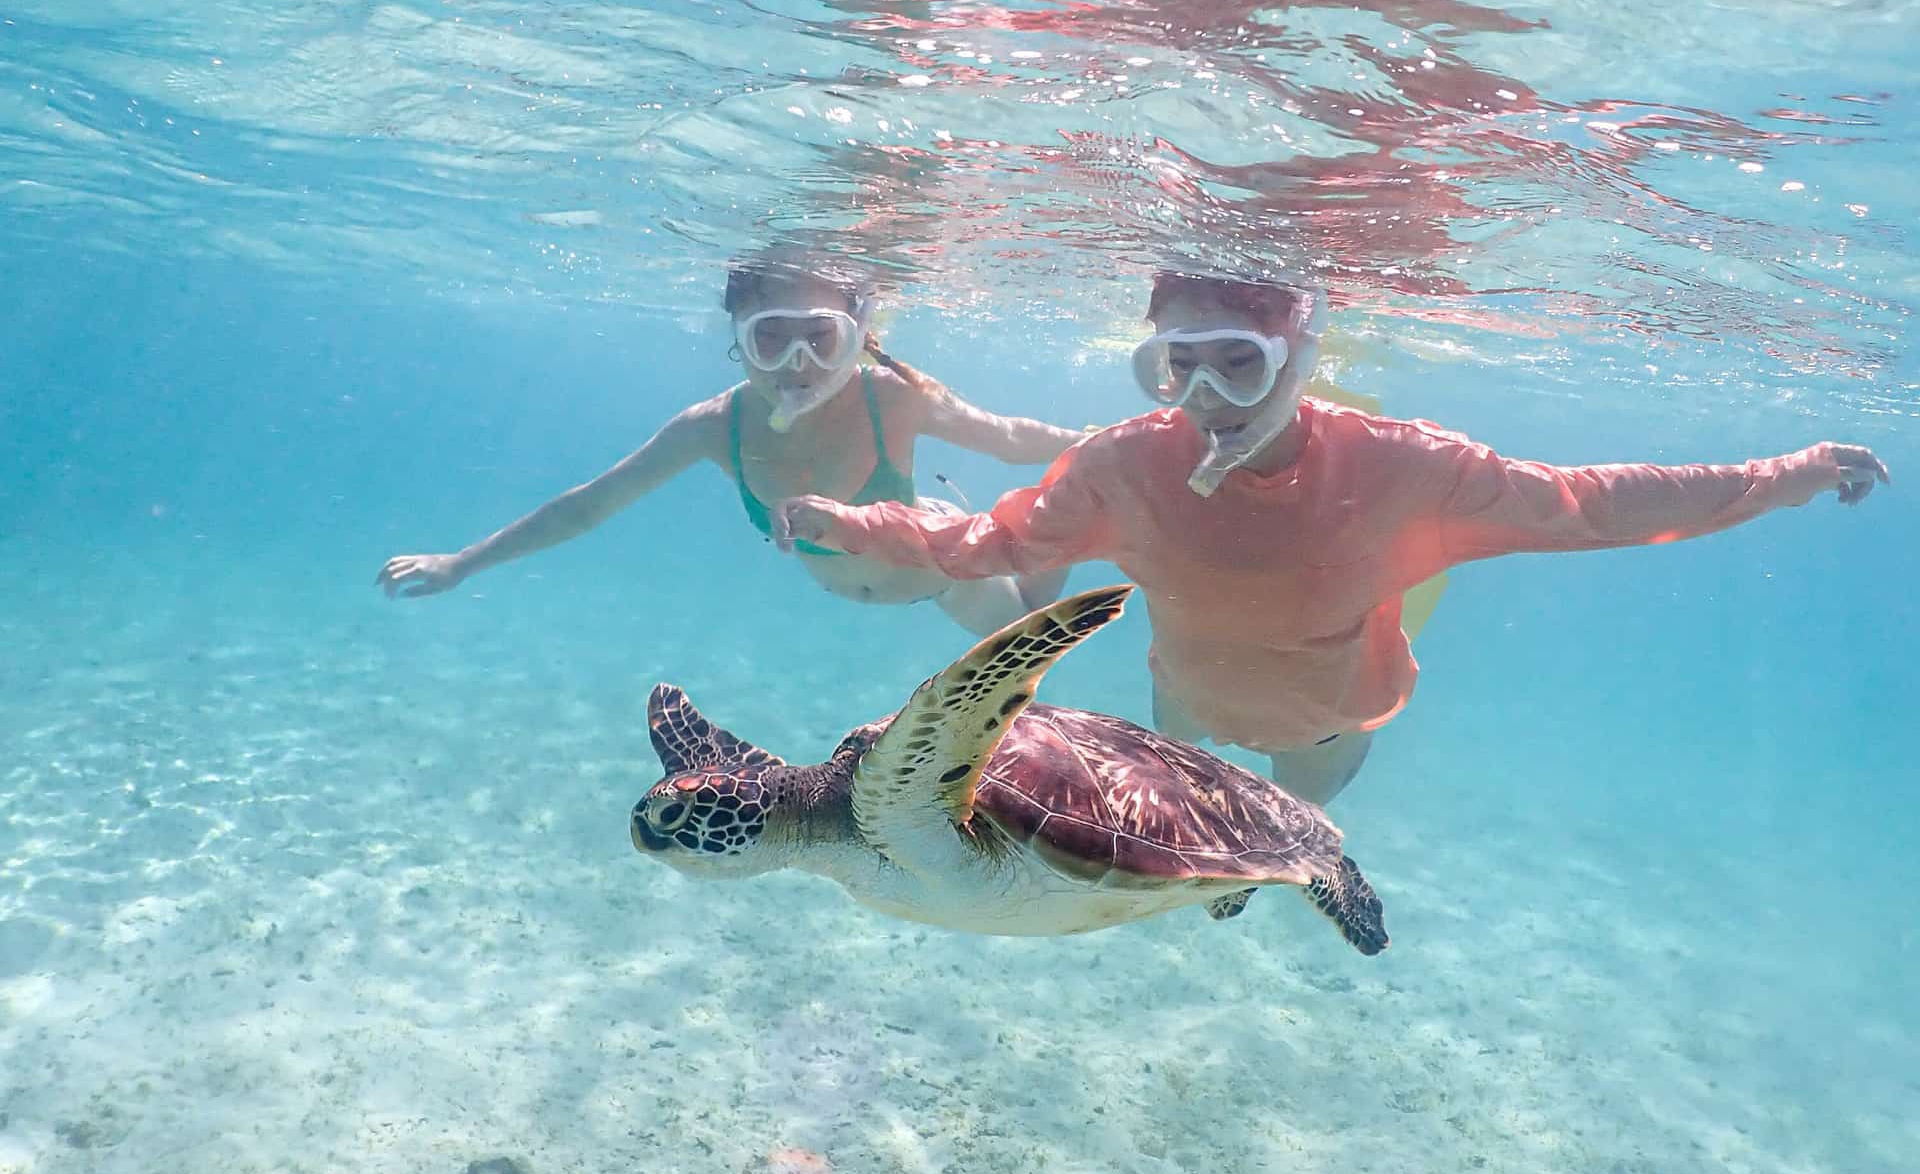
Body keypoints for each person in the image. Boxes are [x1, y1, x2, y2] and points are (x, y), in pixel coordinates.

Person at [772, 267, 1890, 806]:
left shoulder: (1407, 465)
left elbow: (1596, 503)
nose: (1204, 397)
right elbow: (988, 543)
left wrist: (1784, 475)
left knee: (1284, 835)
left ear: (1302, 357)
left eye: (1239, 363)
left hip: (1332, 717)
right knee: (1184, 786)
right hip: (1186, 692)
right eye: (1177, 366)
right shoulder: (1123, 462)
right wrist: (861, 524)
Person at [377, 260, 1082, 634]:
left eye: (820, 337)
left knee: (1035, 642)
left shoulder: (890, 397)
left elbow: (1013, 437)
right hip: (872, 586)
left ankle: (1052, 531)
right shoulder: (713, 426)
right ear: (737, 340)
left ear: (855, 335)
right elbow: (590, 506)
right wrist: (462, 563)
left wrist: (1106, 447)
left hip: (945, 576)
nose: (795, 363)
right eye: (769, 338)